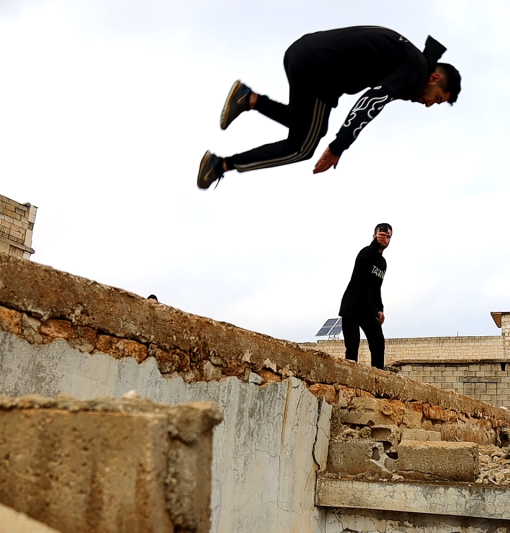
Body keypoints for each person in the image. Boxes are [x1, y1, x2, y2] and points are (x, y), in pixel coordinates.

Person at [197, 26, 461, 189]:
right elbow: (369, 103)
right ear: (434, 78)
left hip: (305, 52)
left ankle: (249, 99)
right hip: (319, 69)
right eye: (436, 99)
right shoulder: (415, 72)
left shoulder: (411, 58)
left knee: (309, 125)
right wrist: (338, 147)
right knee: (303, 147)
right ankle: (220, 165)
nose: (428, 105)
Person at [339, 223, 391, 369]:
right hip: (352, 307)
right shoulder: (365, 252)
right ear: (374, 236)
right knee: (352, 345)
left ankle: (379, 380)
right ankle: (349, 380)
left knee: (378, 344)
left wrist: (380, 308)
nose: (385, 239)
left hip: (370, 310)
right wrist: (375, 243)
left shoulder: (383, 263)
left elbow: (377, 287)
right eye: (382, 235)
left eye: (388, 236)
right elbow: (367, 256)